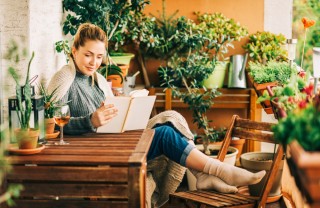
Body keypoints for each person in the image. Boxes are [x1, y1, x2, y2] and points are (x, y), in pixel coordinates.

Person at [48, 23, 266, 207]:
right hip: (100, 153)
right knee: (163, 134)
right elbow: (49, 127)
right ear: (74, 50)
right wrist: (91, 121)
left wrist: (127, 104)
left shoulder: (98, 80)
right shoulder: (65, 77)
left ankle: (203, 175)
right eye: (87, 55)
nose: (94, 62)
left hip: (114, 143)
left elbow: (110, 115)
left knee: (170, 121)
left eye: (98, 57)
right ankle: (219, 170)